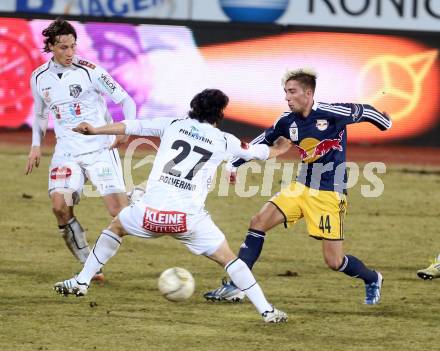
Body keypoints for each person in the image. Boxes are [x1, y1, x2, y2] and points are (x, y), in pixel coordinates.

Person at [53, 89, 291, 323]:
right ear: (219, 114)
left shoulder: (172, 125)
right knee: (230, 260)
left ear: (193, 108)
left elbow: (131, 126)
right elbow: (259, 152)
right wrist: (280, 148)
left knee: (115, 228)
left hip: (149, 216)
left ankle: (82, 281)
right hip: (187, 221)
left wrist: (95, 130)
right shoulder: (224, 140)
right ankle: (267, 311)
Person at [204, 68, 392, 305]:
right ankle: (238, 285)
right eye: (285, 92)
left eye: (292, 92)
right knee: (258, 222)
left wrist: (384, 122)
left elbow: (363, 111)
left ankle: (372, 277)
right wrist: (234, 164)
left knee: (334, 261)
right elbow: (262, 141)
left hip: (329, 192)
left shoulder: (331, 112)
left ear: (308, 92)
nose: (287, 97)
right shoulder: (286, 121)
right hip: (301, 186)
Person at [25, 18, 136, 280]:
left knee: (119, 214)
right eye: (63, 47)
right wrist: (35, 146)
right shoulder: (39, 77)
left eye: (73, 46)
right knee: (59, 207)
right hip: (66, 152)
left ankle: (137, 198)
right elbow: (40, 114)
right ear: (51, 46)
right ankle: (89, 262)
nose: (70, 53)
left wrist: (125, 130)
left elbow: (125, 99)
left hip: (99, 147)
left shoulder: (90, 71)